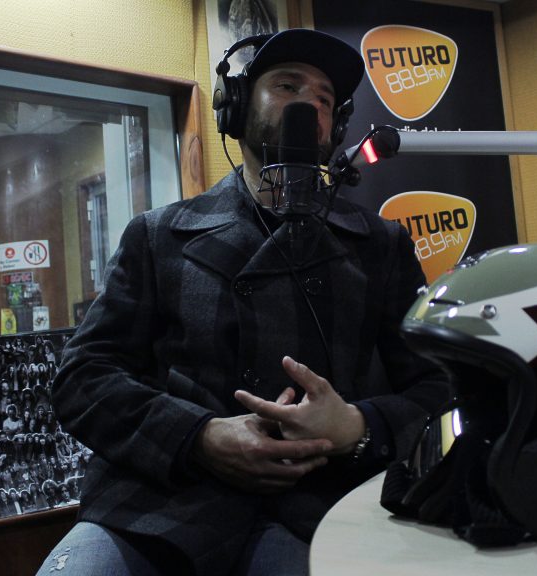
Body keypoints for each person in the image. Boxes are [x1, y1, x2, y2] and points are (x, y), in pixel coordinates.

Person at [40, 28, 449, 576]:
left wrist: (358, 425)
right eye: (287, 86)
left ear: (337, 127)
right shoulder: (158, 235)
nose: (308, 104)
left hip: (318, 506)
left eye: (324, 98)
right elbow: (82, 378)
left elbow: (440, 386)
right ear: (236, 107)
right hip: (163, 504)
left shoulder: (381, 245)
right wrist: (198, 437)